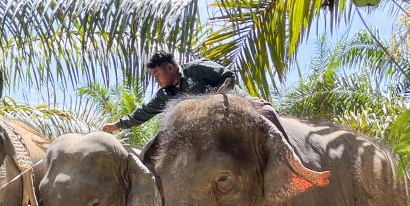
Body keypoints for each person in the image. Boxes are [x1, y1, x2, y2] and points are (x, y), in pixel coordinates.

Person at [102, 51, 286, 136]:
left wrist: (217, 99)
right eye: (154, 76)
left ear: (170, 67)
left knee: (268, 112)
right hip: (211, 127)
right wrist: (117, 125)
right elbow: (144, 112)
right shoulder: (165, 95)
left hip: (240, 107)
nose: (156, 79)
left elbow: (227, 75)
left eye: (157, 74)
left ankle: (292, 159)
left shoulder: (196, 69)